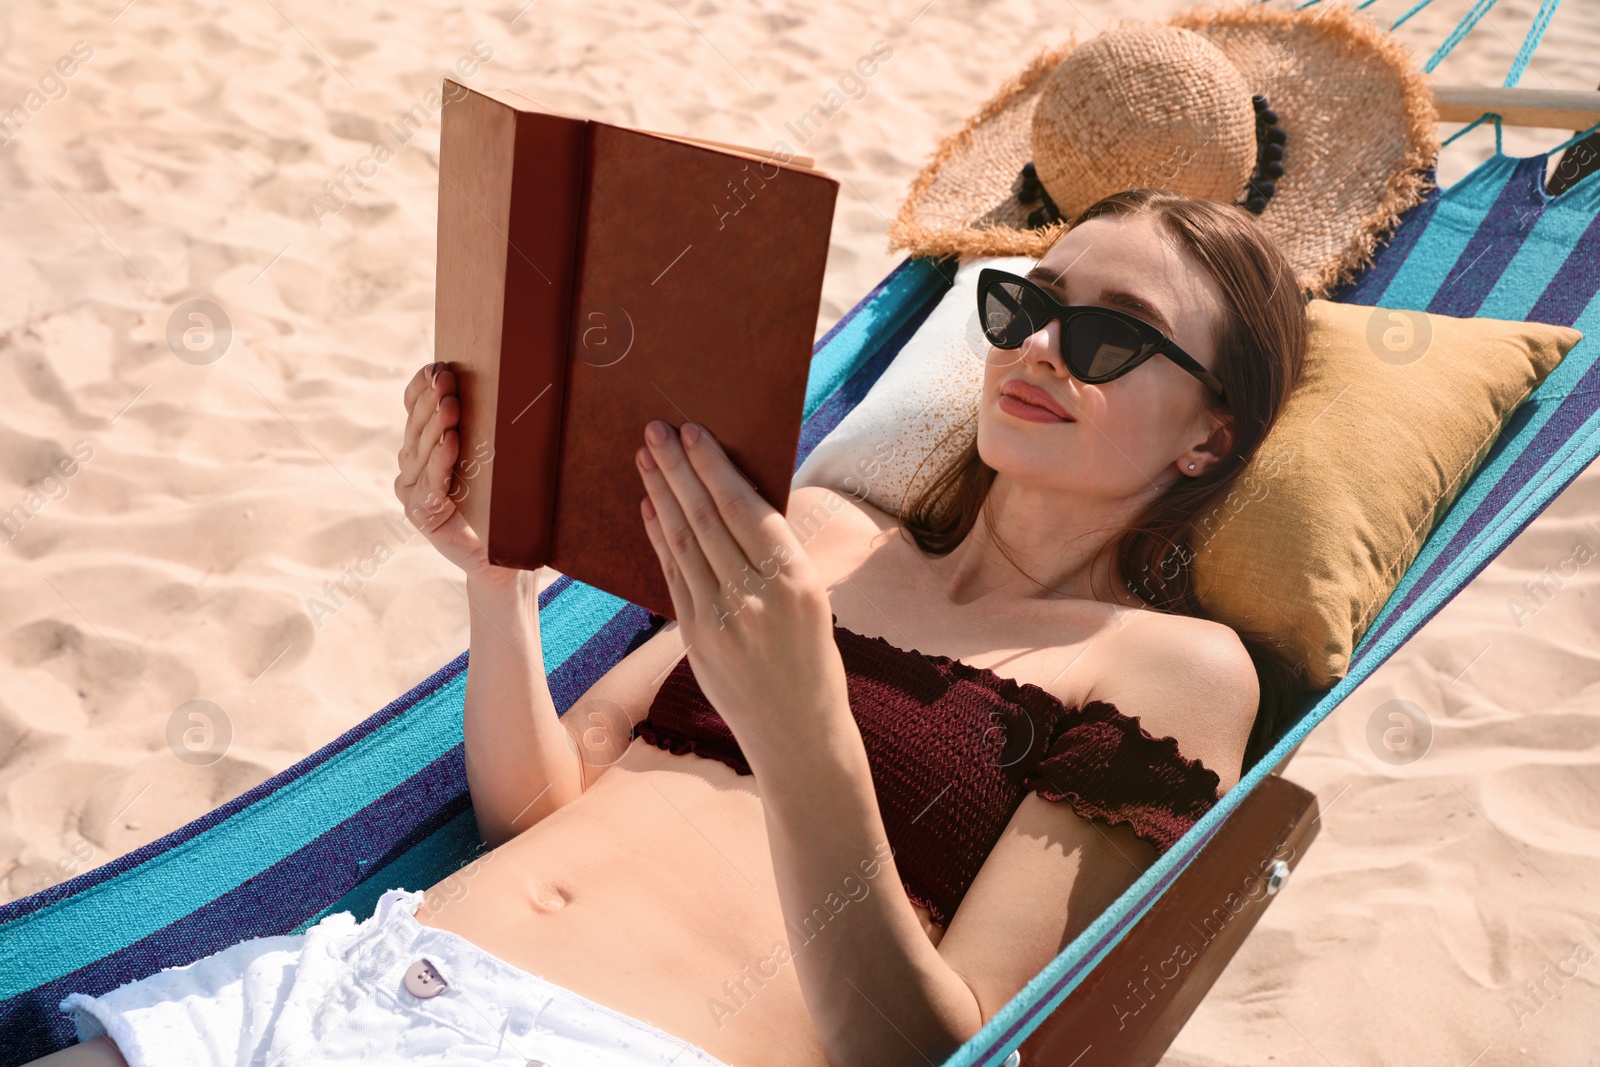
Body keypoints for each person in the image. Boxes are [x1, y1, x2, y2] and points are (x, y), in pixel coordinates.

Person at [36, 184, 1306, 1067]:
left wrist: (806, 726)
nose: (1039, 350)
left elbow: (938, 1044)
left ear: (1211, 434)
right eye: (1024, 307)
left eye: (1106, 337)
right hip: (357, 971)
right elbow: (539, 808)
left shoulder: (1165, 668)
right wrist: (495, 579)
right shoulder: (811, 535)